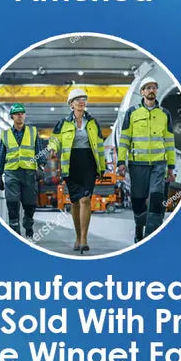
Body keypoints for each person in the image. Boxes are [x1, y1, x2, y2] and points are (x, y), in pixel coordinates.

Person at [117, 76, 176, 243]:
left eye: (154, 88)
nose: (151, 91)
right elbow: (124, 139)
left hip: (159, 163)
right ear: (142, 92)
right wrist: (121, 162)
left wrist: (171, 166)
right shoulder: (132, 113)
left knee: (157, 197)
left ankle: (151, 235)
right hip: (137, 164)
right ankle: (139, 228)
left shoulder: (164, 114)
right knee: (138, 199)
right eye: (148, 88)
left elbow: (170, 142)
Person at [49, 87, 106, 254]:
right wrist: (52, 148)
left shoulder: (93, 123)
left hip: (88, 163)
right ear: (71, 104)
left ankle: (84, 239)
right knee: (75, 201)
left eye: (84, 99)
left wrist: (102, 167)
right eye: (78, 99)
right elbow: (55, 140)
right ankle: (77, 236)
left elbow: (100, 146)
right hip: (71, 163)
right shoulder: (63, 123)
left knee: (85, 200)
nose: (82, 102)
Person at [0, 102, 46, 238]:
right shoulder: (5, 135)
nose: (20, 116)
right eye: (17, 114)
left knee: (30, 204)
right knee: (12, 204)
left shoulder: (33, 131)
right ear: (12, 116)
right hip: (11, 173)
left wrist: (41, 167)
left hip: (29, 173)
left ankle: (28, 225)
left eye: (22, 113)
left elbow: (39, 150)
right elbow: (1, 154)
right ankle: (15, 232)